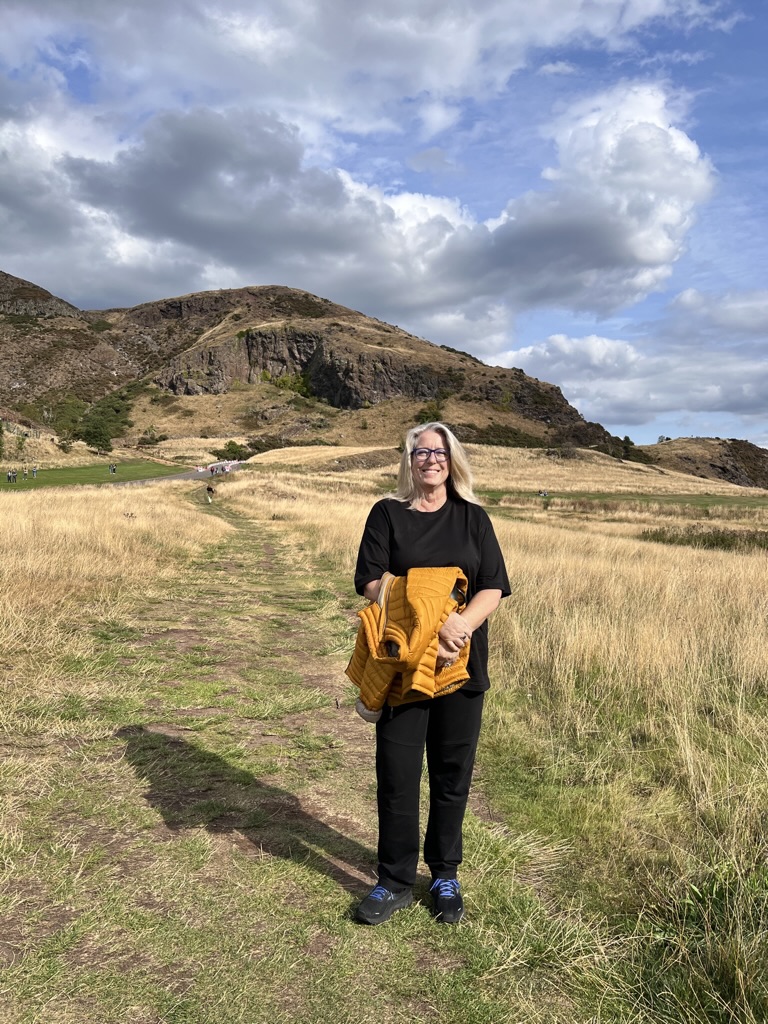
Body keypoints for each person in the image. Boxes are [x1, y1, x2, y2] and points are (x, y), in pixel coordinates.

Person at [352, 422, 510, 926]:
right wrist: (425, 614)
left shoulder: (473, 519)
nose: (430, 460)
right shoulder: (387, 514)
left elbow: (493, 586)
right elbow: (370, 582)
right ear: (409, 460)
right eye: (422, 452)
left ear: (452, 459)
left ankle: (444, 874)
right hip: (402, 667)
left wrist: (458, 624)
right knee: (397, 775)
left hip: (463, 664)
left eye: (439, 452)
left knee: (450, 775)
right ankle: (394, 880)